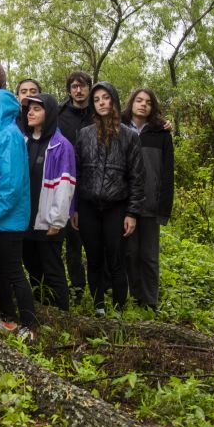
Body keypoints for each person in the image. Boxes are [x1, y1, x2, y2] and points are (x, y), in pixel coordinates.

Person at [72, 81, 145, 317]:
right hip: (88, 205)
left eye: (105, 98)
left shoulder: (129, 136)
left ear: (113, 100)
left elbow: (137, 177)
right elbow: (78, 173)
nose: (101, 103)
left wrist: (132, 213)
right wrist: (75, 208)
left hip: (117, 206)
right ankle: (98, 306)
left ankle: (120, 309)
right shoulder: (84, 135)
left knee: (116, 259)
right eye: (97, 99)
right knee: (93, 258)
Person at [0, 89, 37, 343]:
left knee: (13, 270)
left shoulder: (11, 136)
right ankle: (8, 320)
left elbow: (11, 184)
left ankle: (29, 324)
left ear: (0, 109)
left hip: (6, 218)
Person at [21, 93, 76, 311]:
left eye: (37, 109)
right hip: (25, 220)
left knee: (52, 269)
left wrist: (57, 220)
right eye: (29, 109)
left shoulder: (61, 146)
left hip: (48, 222)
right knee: (32, 267)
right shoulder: (23, 141)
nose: (30, 112)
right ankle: (42, 308)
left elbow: (66, 185)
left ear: (49, 112)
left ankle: (63, 314)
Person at [121, 88, 174, 314]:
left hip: (151, 204)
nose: (143, 104)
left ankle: (150, 302)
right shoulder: (119, 128)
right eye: (139, 100)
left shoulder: (161, 133)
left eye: (148, 102)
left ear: (153, 108)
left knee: (149, 256)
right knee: (130, 254)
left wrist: (164, 206)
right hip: (125, 205)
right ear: (131, 102)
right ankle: (135, 297)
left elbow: (167, 172)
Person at [57, 71, 94, 305]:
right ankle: (77, 288)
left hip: (94, 181)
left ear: (89, 88)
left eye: (82, 86)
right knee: (71, 240)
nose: (78, 90)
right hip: (67, 181)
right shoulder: (60, 114)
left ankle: (102, 288)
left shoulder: (100, 110)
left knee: (93, 240)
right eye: (73, 87)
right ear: (69, 90)